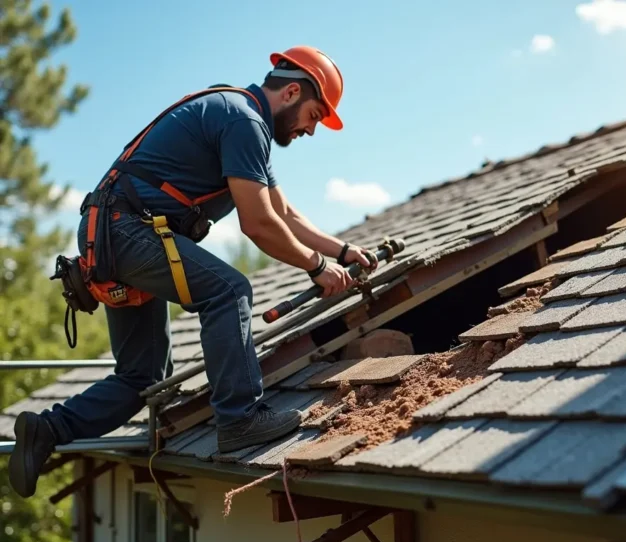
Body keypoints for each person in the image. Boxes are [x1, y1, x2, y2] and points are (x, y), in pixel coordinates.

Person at [8, 46, 376, 498]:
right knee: (229, 291)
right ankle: (240, 419)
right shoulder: (244, 121)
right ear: (293, 92)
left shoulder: (238, 115)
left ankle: (45, 430)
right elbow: (258, 225)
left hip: (114, 232)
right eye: (314, 115)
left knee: (142, 378)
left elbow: (282, 212)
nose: (311, 130)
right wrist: (317, 267)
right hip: (128, 231)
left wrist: (341, 251)